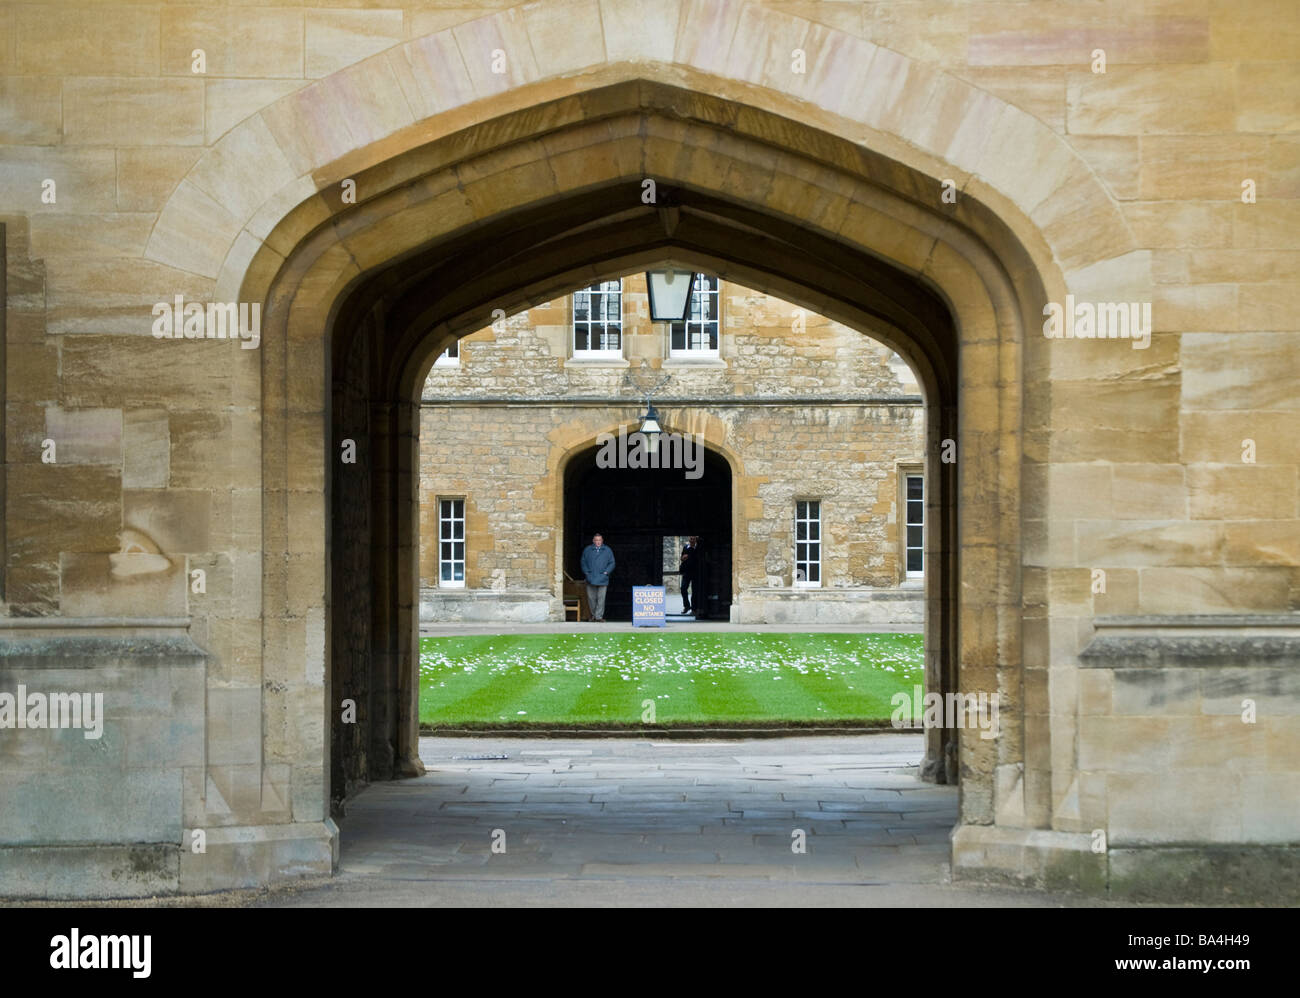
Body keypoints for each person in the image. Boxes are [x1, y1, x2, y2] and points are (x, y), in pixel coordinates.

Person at [580, 533, 615, 622]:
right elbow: (583, 562)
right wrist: (587, 572)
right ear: (593, 541)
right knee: (591, 598)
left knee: (601, 598)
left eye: (599, 540)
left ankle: (598, 617)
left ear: (602, 541)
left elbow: (612, 563)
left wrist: (606, 572)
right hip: (590, 577)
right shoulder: (588, 550)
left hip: (603, 578)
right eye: (596, 540)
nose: (598, 542)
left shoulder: (607, 550)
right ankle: (593, 615)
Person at [679, 535, 700, 615]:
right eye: (691, 538)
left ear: (696, 539)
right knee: (683, 588)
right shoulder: (685, 547)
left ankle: (694, 608)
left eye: (694, 538)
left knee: (695, 591)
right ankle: (687, 606)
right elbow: (682, 558)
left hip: (695, 572)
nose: (692, 539)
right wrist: (683, 558)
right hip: (687, 572)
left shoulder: (698, 548)